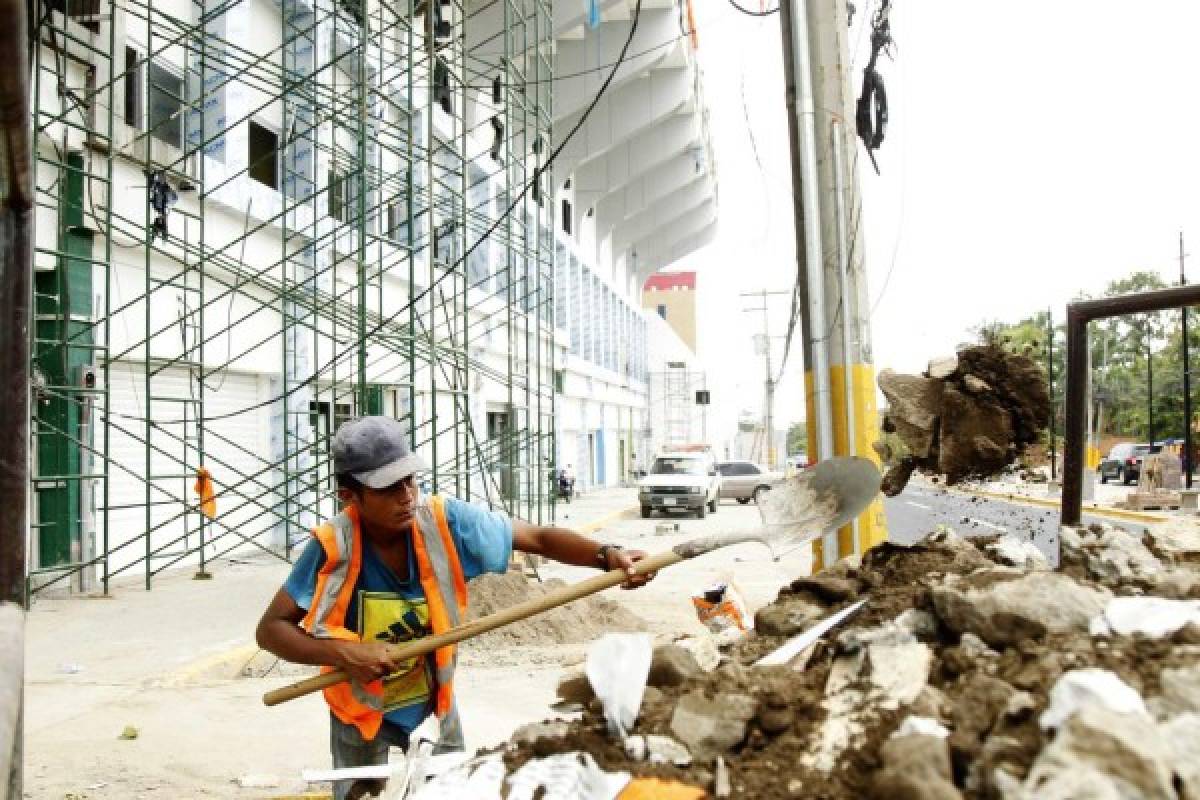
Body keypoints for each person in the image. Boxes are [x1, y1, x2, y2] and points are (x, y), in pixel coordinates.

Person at [255, 416, 654, 800]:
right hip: (358, 712)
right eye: (388, 488)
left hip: (433, 704)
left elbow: (537, 537)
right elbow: (271, 629)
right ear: (350, 495)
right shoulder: (331, 546)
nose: (406, 496)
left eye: (409, 480)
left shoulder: (446, 523)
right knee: (361, 792)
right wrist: (344, 653)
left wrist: (607, 555)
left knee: (452, 789)